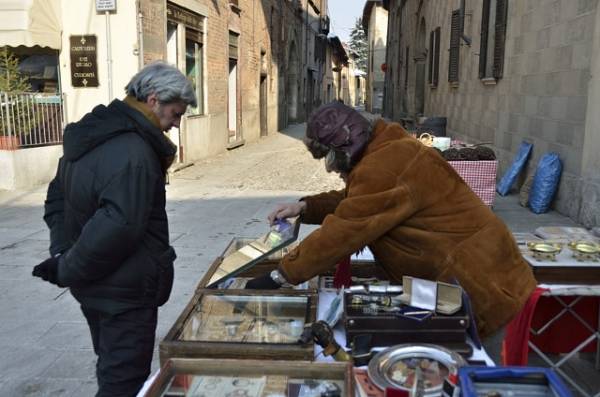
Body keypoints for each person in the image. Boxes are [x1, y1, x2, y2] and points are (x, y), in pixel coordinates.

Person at [246, 102, 537, 363]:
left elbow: (346, 228)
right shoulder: (386, 149)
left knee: (479, 376)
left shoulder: (384, 165)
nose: (330, 169)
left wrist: (280, 274)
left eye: (329, 158)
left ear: (345, 148)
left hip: (481, 284)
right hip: (479, 271)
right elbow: (357, 201)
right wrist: (305, 207)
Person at [32, 61, 196, 397]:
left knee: (111, 366)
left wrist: (64, 253)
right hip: (126, 294)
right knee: (125, 382)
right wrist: (66, 266)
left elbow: (56, 196)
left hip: (97, 288)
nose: (176, 124)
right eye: (175, 113)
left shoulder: (93, 134)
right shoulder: (135, 151)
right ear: (153, 100)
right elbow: (117, 226)